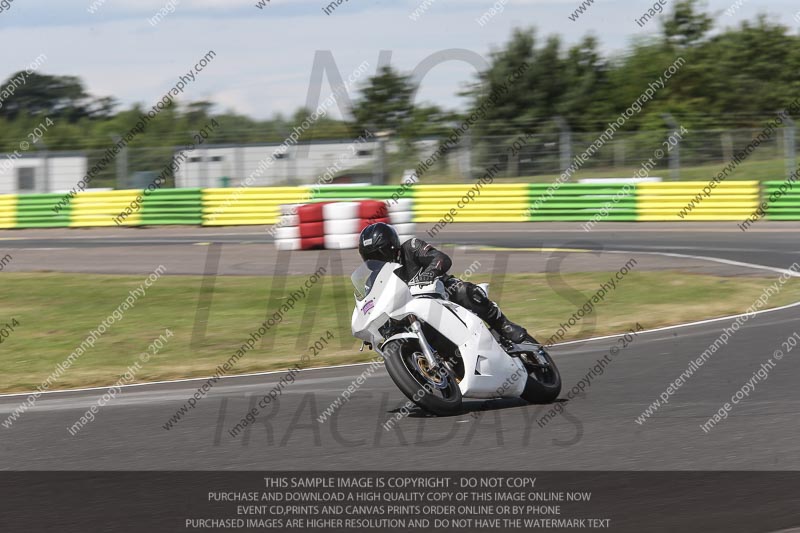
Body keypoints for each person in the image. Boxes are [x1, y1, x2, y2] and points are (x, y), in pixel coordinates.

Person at [357, 222, 530, 344]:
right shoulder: (373, 281)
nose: (377, 261)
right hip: (411, 315)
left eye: (379, 254)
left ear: (392, 246)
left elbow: (441, 259)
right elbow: (372, 306)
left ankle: (503, 325)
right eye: (371, 258)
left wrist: (428, 274)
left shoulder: (411, 247)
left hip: (442, 294)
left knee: (463, 290)